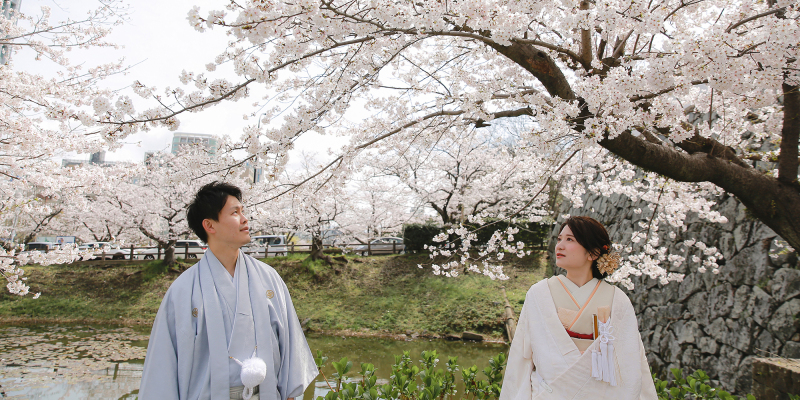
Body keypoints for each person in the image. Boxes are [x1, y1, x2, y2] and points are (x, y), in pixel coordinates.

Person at [139, 181, 318, 400]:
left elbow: (291, 350)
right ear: (209, 225)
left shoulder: (269, 279)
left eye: (243, 211)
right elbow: (162, 368)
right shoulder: (182, 291)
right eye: (235, 213)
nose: (245, 219)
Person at [499, 216, 657, 399]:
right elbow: (521, 357)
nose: (559, 246)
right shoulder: (539, 293)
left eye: (569, 239)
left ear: (593, 253)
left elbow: (631, 362)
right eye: (559, 239)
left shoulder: (618, 300)